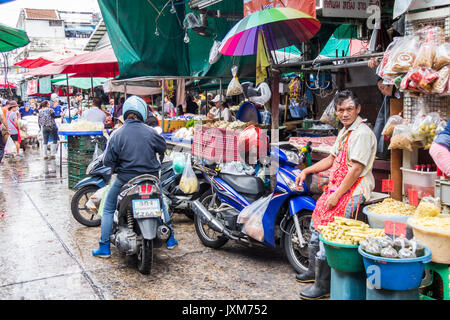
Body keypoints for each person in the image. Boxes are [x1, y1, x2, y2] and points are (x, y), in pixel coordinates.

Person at [295, 90, 377, 300]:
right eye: (340, 110)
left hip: (352, 191)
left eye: (349, 109)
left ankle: (324, 285)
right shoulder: (345, 131)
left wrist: (335, 196)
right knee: (317, 226)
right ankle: (314, 273)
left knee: (331, 235)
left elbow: (356, 170)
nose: (345, 113)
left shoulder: (362, 134)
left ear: (358, 109)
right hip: (336, 187)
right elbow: (331, 159)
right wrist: (307, 170)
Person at [92, 95, 178, 258]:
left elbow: (108, 160)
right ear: (143, 113)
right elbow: (163, 148)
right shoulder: (152, 132)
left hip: (125, 179)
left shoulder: (117, 134)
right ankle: (171, 238)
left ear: (125, 113)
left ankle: (104, 247)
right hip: (151, 178)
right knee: (161, 204)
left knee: (109, 206)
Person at [372, 78, 401, 159]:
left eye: (382, 88)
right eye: (380, 89)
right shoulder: (387, 98)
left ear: (391, 84)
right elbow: (381, 120)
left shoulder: (402, 93)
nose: (382, 92)